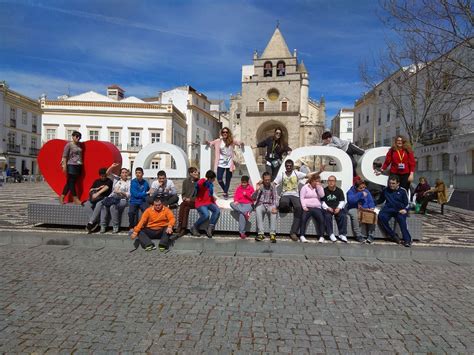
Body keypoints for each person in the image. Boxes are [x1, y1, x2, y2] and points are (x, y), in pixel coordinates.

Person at [273, 159, 308, 241]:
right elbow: (273, 183)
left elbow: (308, 176)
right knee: (283, 205)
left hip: (295, 195)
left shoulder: (296, 173)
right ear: (285, 166)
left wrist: (320, 172)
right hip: (285, 194)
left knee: (299, 208)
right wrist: (263, 183)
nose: (288, 167)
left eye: (290, 166)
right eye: (287, 166)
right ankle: (289, 206)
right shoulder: (281, 175)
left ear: (292, 166)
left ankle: (293, 232)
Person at [206, 127, 243, 199]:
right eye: (223, 132)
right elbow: (211, 143)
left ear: (228, 133)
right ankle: (225, 190)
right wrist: (207, 142)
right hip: (221, 162)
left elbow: (238, 143)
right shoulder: (218, 141)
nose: (225, 133)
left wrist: (241, 143)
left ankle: (225, 193)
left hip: (229, 163)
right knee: (219, 178)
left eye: (226, 132)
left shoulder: (231, 141)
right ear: (221, 133)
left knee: (228, 179)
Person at [378, 175, 412, 247]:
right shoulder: (385, 190)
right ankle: (393, 236)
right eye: (390, 183)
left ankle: (407, 240)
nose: (391, 185)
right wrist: (369, 203)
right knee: (381, 216)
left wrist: (405, 209)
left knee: (402, 221)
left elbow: (408, 203)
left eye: (393, 183)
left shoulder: (403, 191)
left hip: (400, 210)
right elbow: (380, 200)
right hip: (388, 209)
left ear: (398, 183)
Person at [100, 163, 130, 234]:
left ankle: (115, 226)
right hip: (112, 198)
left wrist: (121, 192)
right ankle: (103, 225)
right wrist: (112, 166)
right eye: (123, 172)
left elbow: (129, 194)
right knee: (104, 206)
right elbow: (107, 173)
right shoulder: (117, 179)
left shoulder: (129, 183)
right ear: (120, 174)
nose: (124, 174)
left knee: (113, 207)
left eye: (126, 172)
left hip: (122, 199)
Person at [191, 170, 220, 238]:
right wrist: (200, 182)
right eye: (213, 179)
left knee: (217, 210)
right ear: (210, 178)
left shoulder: (211, 185)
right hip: (200, 203)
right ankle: (194, 227)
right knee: (206, 215)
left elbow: (210, 196)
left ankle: (210, 228)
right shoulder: (203, 181)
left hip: (209, 202)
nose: (214, 180)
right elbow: (198, 185)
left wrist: (215, 204)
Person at [346, 179, 376, 244]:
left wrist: (371, 207)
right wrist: (360, 194)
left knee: (372, 215)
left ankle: (371, 235)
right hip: (353, 207)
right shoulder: (350, 192)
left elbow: (370, 201)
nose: (363, 189)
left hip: (364, 208)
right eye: (360, 188)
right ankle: (358, 235)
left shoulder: (366, 191)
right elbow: (351, 201)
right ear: (356, 187)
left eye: (364, 187)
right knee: (355, 215)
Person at [252, 172, 278, 243]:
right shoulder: (260, 186)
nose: (267, 181)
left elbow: (275, 198)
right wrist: (257, 190)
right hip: (261, 204)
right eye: (266, 180)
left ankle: (272, 234)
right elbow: (253, 198)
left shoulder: (273, 186)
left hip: (270, 204)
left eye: (269, 180)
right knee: (258, 209)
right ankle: (261, 233)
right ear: (263, 179)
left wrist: (275, 207)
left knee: (273, 212)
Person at [85, 168, 113, 233]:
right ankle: (96, 221)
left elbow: (106, 188)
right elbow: (90, 190)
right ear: (99, 175)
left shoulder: (109, 181)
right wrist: (98, 188)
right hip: (95, 198)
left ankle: (91, 222)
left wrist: (97, 193)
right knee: (86, 204)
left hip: (104, 198)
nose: (103, 177)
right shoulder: (96, 181)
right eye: (102, 176)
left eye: (105, 176)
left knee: (99, 204)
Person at [299, 174, 325, 243]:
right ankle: (302, 235)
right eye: (316, 181)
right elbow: (302, 197)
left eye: (319, 181)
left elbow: (322, 195)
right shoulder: (305, 187)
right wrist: (304, 207)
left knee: (321, 219)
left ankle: (321, 236)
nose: (317, 183)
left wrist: (319, 187)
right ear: (312, 181)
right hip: (307, 207)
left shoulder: (319, 187)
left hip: (317, 207)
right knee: (303, 218)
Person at [321, 175, 347, 242]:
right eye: (329, 180)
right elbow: (322, 202)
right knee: (327, 216)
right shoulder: (324, 190)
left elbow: (342, 201)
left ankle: (342, 234)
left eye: (332, 180)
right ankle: (330, 234)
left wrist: (338, 208)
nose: (331, 182)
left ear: (335, 182)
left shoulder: (339, 191)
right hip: (328, 208)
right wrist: (327, 208)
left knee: (343, 216)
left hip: (337, 208)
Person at [60, 131, 83, 204]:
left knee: (70, 182)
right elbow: (64, 156)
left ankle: (62, 197)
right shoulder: (69, 145)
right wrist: (64, 166)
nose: (78, 138)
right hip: (71, 165)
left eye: (79, 137)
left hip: (79, 165)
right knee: (71, 182)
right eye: (76, 136)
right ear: (72, 136)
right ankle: (75, 198)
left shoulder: (79, 145)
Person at [177, 167, 199, 237]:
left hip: (196, 202)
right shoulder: (185, 182)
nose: (196, 173)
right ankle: (183, 229)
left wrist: (190, 199)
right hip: (187, 202)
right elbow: (183, 193)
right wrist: (183, 197)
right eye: (194, 172)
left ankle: (180, 224)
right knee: (186, 208)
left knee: (183, 204)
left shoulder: (199, 182)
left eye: (197, 172)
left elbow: (200, 197)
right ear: (190, 174)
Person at [128, 167, 150, 232]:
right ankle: (131, 227)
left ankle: (144, 226)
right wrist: (144, 193)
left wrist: (147, 193)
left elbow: (148, 191)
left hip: (142, 201)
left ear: (142, 174)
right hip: (134, 201)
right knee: (131, 212)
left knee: (146, 211)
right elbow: (135, 194)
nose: (137, 174)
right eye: (136, 173)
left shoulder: (145, 182)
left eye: (139, 173)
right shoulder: (133, 182)